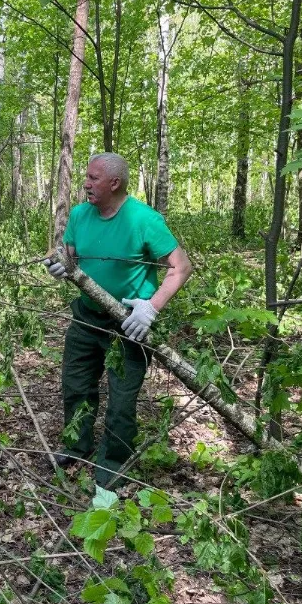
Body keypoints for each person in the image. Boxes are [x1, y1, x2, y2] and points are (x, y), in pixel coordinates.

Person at [43, 153, 192, 489]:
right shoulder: (81, 215)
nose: (86, 183)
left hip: (127, 324)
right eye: (86, 177)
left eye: (93, 178)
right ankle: (75, 447)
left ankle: (112, 465)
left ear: (115, 183)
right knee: (76, 385)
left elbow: (181, 266)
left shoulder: (143, 219)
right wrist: (60, 266)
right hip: (85, 318)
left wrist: (151, 308)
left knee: (122, 400)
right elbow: (70, 257)